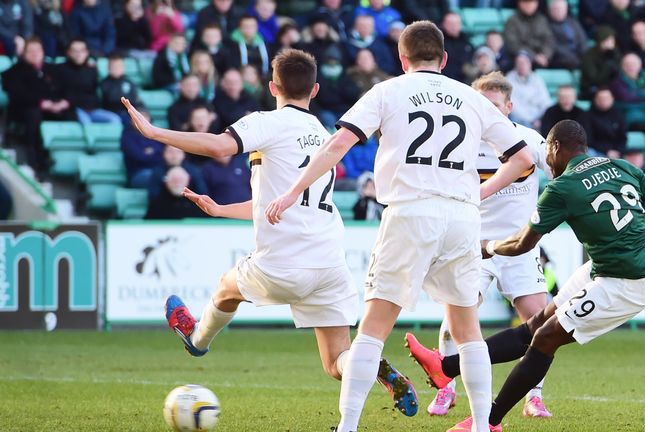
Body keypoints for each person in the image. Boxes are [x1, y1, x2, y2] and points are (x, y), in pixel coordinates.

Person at [264, 21, 535, 432]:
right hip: (462, 218)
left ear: (402, 59)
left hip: (410, 211)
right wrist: (476, 195)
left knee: (373, 327)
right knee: (468, 331)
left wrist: (292, 191)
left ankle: (348, 427)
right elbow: (522, 160)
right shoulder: (470, 97)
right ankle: (481, 427)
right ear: (444, 59)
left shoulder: (388, 90)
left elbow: (338, 144)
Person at [122, 48, 420, 421]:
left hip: (282, 263)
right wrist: (221, 210)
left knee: (226, 288)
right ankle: (375, 367)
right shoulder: (324, 135)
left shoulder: (265, 122)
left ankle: (197, 340)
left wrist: (152, 132)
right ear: (314, 90)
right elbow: (278, 202)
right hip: (330, 265)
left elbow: (218, 146)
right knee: (336, 362)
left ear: (271, 87)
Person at [407, 119, 645, 432]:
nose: (547, 161)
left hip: (626, 285)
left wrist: (485, 247)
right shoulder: (620, 165)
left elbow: (520, 244)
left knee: (545, 338)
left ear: (554, 147)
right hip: (606, 269)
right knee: (536, 326)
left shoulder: (563, 187)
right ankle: (445, 367)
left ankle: (489, 422)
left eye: (547, 151)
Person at [424, 71, 554, 421]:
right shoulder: (459, 141)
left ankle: (534, 396)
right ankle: (445, 386)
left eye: (494, 105)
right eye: (482, 104)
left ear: (509, 107)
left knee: (539, 323)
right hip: (474, 245)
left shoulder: (527, 139)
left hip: (520, 246)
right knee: (457, 316)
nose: (487, 111)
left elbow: (559, 167)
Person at [1, 37, 67, 172]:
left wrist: (62, 102)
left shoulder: (53, 69)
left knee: (70, 113)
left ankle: (58, 156)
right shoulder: (14, 72)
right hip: (25, 110)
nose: (35, 54)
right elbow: (18, 95)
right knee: (34, 114)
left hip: (52, 108)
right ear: (23, 53)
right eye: (30, 51)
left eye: (38, 50)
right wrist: (41, 103)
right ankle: (34, 160)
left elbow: (65, 89)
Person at [54, 39, 122, 124]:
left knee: (114, 119)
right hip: (73, 109)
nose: (79, 54)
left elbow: (94, 94)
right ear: (68, 52)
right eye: (75, 51)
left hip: (91, 109)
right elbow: (62, 95)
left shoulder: (92, 70)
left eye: (82, 51)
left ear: (87, 52)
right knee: (86, 122)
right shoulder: (61, 70)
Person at [609, 52, 645, 132]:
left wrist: (637, 93)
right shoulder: (616, 83)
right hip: (630, 118)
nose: (631, 67)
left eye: (634, 64)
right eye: (627, 64)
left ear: (640, 66)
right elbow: (626, 98)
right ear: (622, 67)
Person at [121, 108, 166, 188]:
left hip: (159, 170)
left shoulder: (155, 133)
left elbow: (164, 153)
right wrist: (157, 152)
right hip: (137, 173)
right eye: (138, 117)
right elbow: (140, 157)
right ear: (131, 120)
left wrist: (153, 151)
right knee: (157, 177)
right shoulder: (127, 136)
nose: (142, 120)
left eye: (145, 116)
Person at [503, 0, 554, 68]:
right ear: (520, 3)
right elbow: (512, 44)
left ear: (536, 3)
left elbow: (549, 40)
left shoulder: (542, 19)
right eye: (526, 2)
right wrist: (533, 56)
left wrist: (545, 55)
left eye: (531, 2)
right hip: (521, 58)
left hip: (542, 59)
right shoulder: (512, 21)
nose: (529, 5)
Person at [506, 51, 550, 129]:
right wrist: (529, 120)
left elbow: (545, 102)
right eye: (519, 63)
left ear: (530, 64)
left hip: (536, 119)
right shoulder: (509, 78)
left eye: (525, 62)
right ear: (515, 65)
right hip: (518, 120)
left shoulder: (537, 79)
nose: (522, 65)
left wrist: (540, 119)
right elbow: (512, 106)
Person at [145, 165, 209, 219]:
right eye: (174, 180)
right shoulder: (156, 204)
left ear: (188, 180)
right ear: (166, 182)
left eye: (180, 180)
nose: (177, 183)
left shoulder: (198, 204)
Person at [580, 26, 621, 99]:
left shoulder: (616, 53)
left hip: (612, 88)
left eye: (611, 40)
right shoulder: (589, 56)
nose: (609, 44)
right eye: (606, 40)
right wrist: (607, 65)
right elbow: (593, 78)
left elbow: (619, 73)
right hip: (592, 88)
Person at [586, 87, 626, 158]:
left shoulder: (618, 114)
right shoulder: (587, 115)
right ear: (595, 100)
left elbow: (622, 138)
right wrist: (607, 151)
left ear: (612, 99)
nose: (603, 101)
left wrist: (618, 151)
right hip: (596, 151)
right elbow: (588, 140)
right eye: (601, 98)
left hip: (616, 152)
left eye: (606, 98)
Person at [547, 0, 588, 70]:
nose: (559, 12)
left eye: (562, 9)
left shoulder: (573, 23)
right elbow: (552, 46)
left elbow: (583, 41)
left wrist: (585, 56)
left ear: (566, 10)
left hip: (577, 57)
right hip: (559, 59)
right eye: (556, 9)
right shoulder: (546, 25)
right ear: (550, 10)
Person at [441, 12, 473, 83]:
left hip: (463, 82)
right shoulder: (438, 41)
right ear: (444, 24)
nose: (454, 27)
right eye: (451, 24)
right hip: (443, 81)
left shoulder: (466, 42)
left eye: (456, 24)